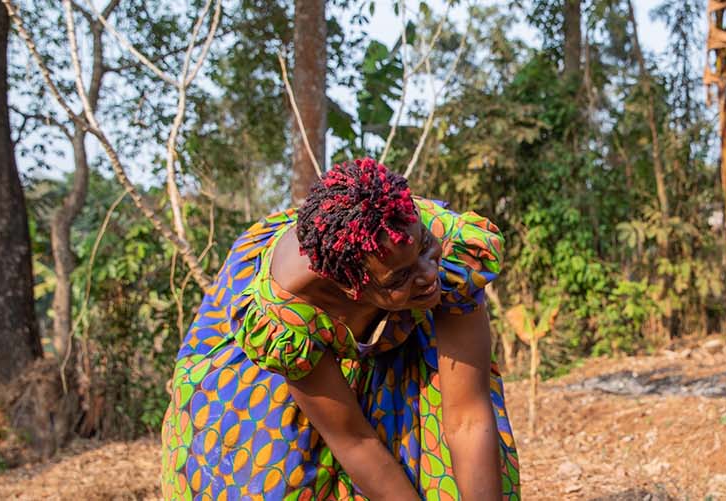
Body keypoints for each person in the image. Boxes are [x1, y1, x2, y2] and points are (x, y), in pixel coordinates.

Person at [159, 158, 519, 500]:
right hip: (273, 376)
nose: (428, 275)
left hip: (399, 334)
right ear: (351, 287)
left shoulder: (442, 249)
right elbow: (354, 442)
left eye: (426, 247)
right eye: (402, 277)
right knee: (279, 478)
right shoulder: (287, 311)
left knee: (448, 475)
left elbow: (468, 418)